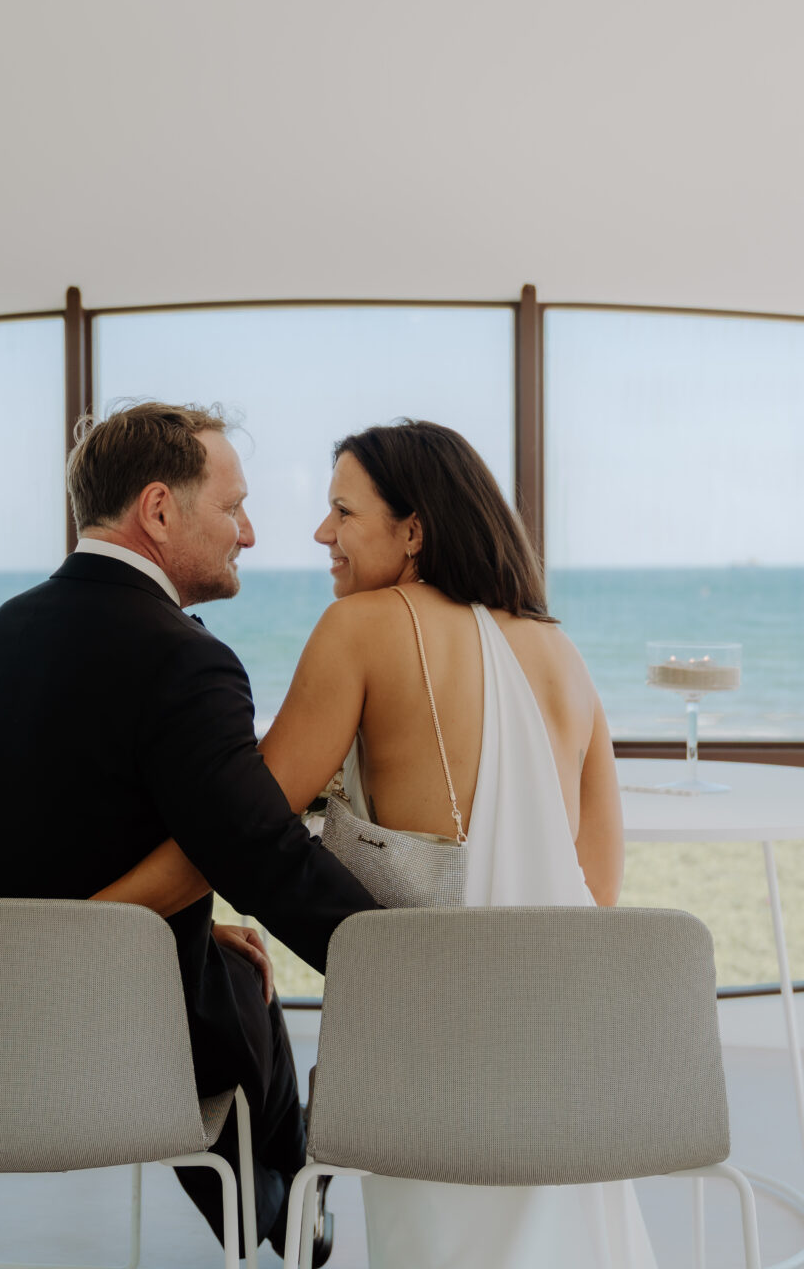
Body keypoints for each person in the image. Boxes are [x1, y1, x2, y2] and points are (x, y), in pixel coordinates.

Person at [98, 419, 652, 1269]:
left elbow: (237, 830)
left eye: (343, 513)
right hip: (566, 1058)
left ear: (414, 530)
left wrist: (85, 923)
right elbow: (597, 890)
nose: (322, 534)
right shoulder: (560, 650)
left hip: (430, 1053)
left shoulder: (362, 628)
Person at [0, 401, 378, 1266]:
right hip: (102, 1051)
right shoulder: (183, 656)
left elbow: (28, 836)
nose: (248, 534)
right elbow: (265, 854)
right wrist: (407, 966)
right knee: (242, 988)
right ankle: (287, 1227)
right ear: (161, 509)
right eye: (233, 507)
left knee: (226, 957)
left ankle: (282, 1215)